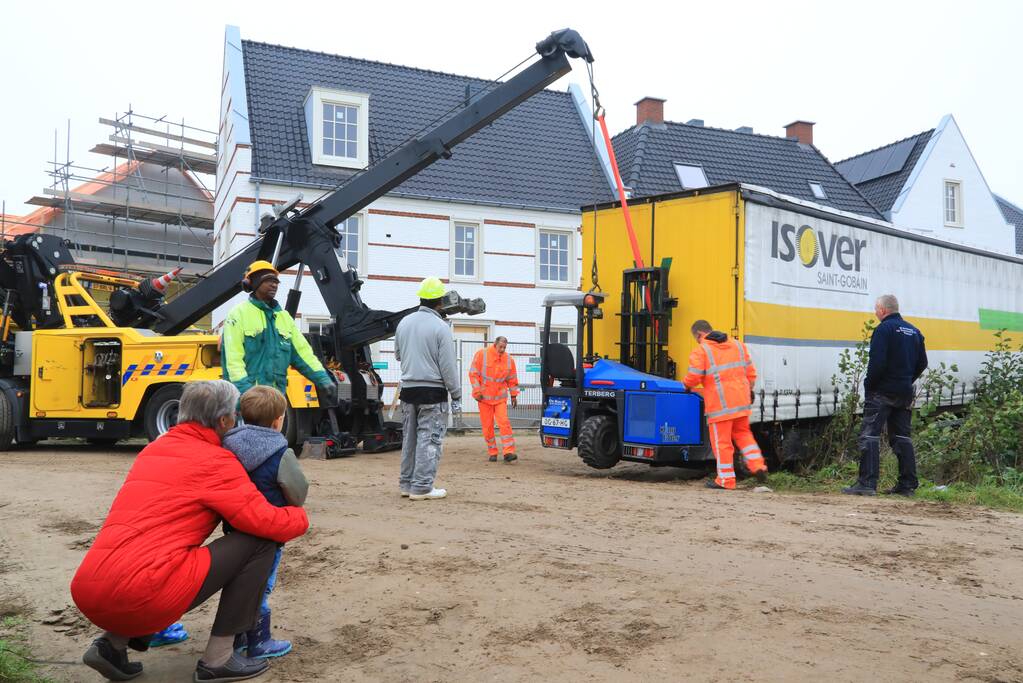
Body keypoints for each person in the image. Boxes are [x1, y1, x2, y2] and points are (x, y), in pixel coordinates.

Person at [71, 380, 308, 683]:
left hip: (90, 588)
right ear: (223, 421)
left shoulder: (155, 449)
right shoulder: (216, 461)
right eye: (233, 417)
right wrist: (298, 517)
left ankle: (112, 645)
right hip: (145, 594)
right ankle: (219, 658)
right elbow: (262, 521)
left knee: (147, 564)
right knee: (260, 541)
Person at [221, 385, 308, 659]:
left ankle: (235, 639)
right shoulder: (281, 452)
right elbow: (298, 491)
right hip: (268, 533)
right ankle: (258, 640)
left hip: (234, 531)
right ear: (278, 420)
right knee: (261, 585)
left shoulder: (227, 446)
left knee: (238, 582)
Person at [844, 295, 928, 497]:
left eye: (876, 309)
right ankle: (907, 485)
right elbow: (922, 363)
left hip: (882, 392)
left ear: (883, 310)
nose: (875, 312)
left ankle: (867, 483)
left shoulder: (883, 329)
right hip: (904, 392)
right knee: (901, 437)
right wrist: (906, 379)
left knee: (870, 435)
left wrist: (870, 385)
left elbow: (877, 363)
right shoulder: (914, 332)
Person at [222, 260, 335, 397]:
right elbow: (233, 361)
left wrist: (322, 379)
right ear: (253, 283)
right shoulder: (238, 314)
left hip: (275, 399)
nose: (274, 284)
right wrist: (247, 395)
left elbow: (303, 354)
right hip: (248, 400)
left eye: (276, 281)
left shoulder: (284, 318)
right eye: (268, 280)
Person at [394, 276, 461, 500]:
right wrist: (456, 393)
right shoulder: (440, 327)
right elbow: (448, 366)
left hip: (408, 390)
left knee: (410, 438)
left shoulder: (403, 323)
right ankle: (422, 487)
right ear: (440, 302)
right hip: (432, 392)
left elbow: (398, 355)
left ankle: (406, 483)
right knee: (429, 439)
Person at [683, 320, 769, 490]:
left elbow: (694, 377)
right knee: (744, 436)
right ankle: (758, 466)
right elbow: (751, 373)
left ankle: (725, 480)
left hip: (719, 405)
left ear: (700, 334)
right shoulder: (737, 345)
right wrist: (749, 390)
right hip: (741, 401)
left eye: (696, 338)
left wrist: (686, 385)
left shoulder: (702, 350)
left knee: (722, 443)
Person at [469, 336, 520, 462]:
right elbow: (473, 374)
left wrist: (514, 395)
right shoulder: (482, 354)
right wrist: (477, 391)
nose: (502, 350)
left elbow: (512, 379)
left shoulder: (509, 360)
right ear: (495, 344)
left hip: (500, 399)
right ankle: (492, 452)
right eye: (500, 347)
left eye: (504, 347)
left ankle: (508, 452)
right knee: (487, 426)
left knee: (504, 423)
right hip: (484, 399)